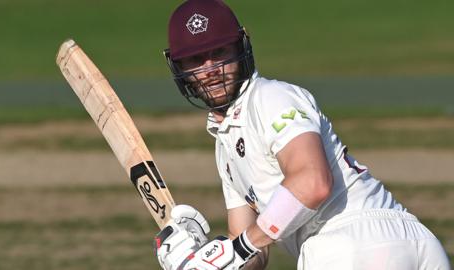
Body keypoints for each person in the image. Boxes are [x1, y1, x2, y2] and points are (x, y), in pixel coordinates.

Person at [153, 0, 451, 269]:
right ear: (181, 70)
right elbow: (254, 253)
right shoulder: (226, 145)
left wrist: (237, 249)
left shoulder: (271, 97)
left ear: (240, 48)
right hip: (417, 244)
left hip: (345, 245)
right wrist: (204, 259)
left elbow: (313, 182)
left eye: (219, 53)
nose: (211, 69)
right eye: (196, 60)